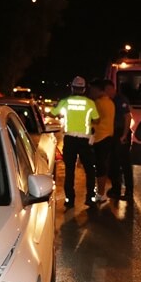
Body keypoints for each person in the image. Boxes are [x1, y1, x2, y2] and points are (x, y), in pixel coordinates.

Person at [50, 76, 100, 209]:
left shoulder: (65, 101)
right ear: (84, 89)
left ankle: (69, 200)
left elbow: (53, 113)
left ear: (72, 88)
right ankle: (90, 198)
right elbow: (97, 119)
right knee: (89, 170)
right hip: (85, 140)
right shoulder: (90, 103)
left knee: (70, 170)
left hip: (70, 139)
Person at [106, 80, 134, 201]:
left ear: (113, 89)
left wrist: (124, 135)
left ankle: (128, 191)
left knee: (125, 163)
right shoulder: (109, 100)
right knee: (113, 163)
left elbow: (127, 117)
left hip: (121, 133)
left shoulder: (120, 99)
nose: (107, 92)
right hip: (113, 133)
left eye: (108, 90)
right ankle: (115, 189)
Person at [89, 79, 115, 203]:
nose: (90, 92)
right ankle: (100, 192)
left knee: (99, 166)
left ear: (98, 90)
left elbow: (95, 120)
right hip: (107, 136)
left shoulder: (98, 103)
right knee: (102, 165)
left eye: (92, 90)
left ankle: (100, 193)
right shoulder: (110, 102)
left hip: (100, 137)